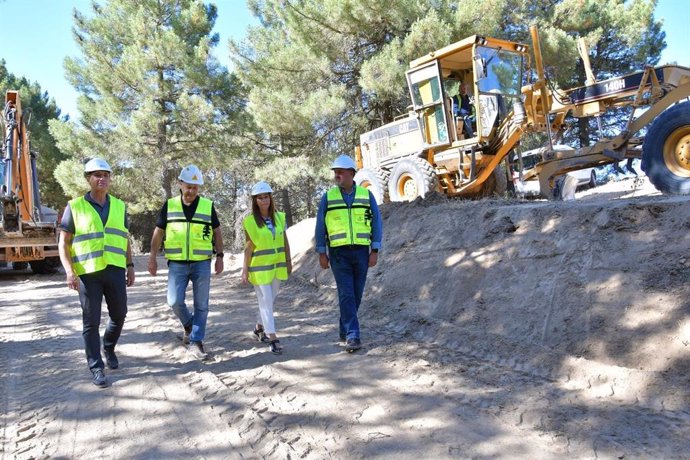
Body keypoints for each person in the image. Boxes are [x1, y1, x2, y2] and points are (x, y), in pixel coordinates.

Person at [58, 158, 135, 388]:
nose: (101, 178)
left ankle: (108, 346)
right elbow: (64, 243)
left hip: (114, 269)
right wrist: (69, 271)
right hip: (88, 273)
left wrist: (130, 266)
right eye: (95, 174)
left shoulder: (120, 207)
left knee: (120, 314)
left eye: (105, 174)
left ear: (110, 179)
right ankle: (96, 367)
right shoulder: (75, 206)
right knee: (90, 321)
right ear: (88, 179)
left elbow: (125, 238)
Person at [147, 165, 224, 360]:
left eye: (195, 188)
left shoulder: (207, 206)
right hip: (177, 263)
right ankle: (189, 324)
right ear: (180, 184)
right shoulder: (169, 205)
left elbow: (217, 231)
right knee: (174, 301)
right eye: (188, 186)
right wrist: (152, 257)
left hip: (202, 263)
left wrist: (220, 256)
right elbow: (158, 232)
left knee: (202, 305)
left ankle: (196, 341)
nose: (191, 191)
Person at [315, 154, 383, 353]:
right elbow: (321, 226)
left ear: (351, 174)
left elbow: (376, 222)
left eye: (340, 172)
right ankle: (353, 335)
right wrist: (321, 251)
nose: (337, 175)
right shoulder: (328, 197)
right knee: (346, 294)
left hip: (361, 252)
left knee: (356, 294)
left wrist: (375, 249)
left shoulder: (366, 195)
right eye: (335, 172)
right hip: (338, 254)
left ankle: (344, 327)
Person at [241, 181, 292, 355]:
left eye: (266, 197)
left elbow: (284, 240)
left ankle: (258, 328)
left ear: (270, 198)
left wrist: (288, 260)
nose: (264, 200)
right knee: (266, 301)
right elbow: (248, 247)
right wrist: (244, 270)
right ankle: (272, 337)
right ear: (255, 201)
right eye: (260, 198)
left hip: (277, 267)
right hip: (259, 269)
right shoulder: (250, 222)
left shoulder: (279, 217)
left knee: (268, 301)